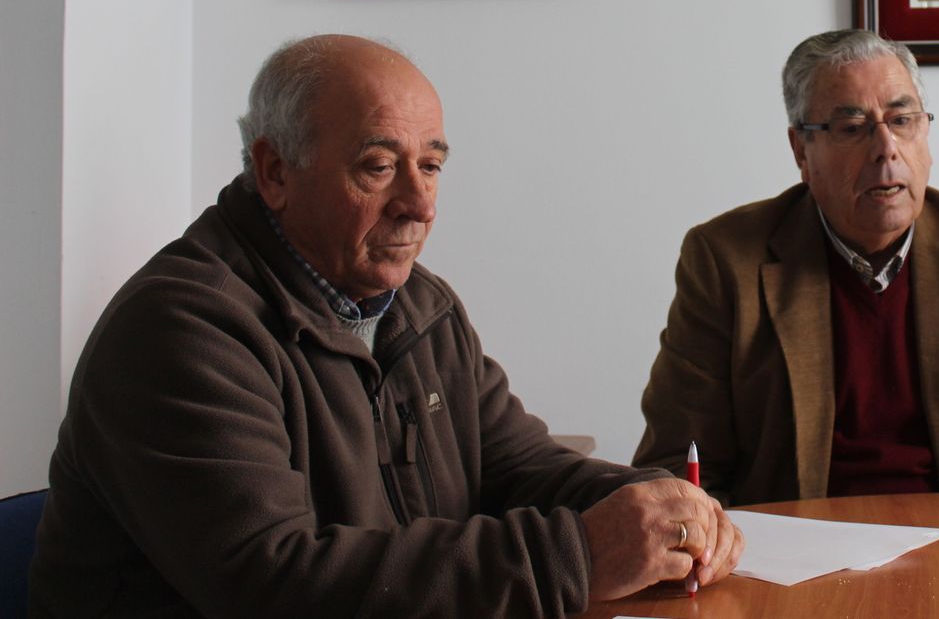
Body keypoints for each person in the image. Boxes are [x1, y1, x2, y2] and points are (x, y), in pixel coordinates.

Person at [30, 35, 741, 617]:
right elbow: (274, 584)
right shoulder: (182, 331)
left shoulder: (419, 306)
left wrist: (656, 508)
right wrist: (578, 555)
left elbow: (519, 469)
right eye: (378, 167)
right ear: (274, 172)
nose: (420, 204)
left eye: (431, 165)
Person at [631, 28, 939, 505]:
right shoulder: (726, 262)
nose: (886, 148)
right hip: (796, 543)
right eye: (852, 128)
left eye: (902, 120)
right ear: (801, 151)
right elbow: (676, 467)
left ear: (925, 133)